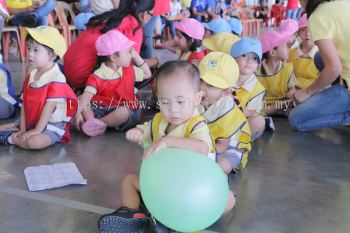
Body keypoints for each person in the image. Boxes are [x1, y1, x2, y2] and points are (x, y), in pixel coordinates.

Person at [98, 61, 235, 232]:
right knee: (129, 181)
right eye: (165, 102)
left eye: (180, 102)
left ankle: (169, 220)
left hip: (189, 191)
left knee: (228, 200)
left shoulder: (196, 125)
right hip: (161, 185)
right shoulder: (159, 121)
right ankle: (133, 216)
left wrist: (167, 141)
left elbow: (201, 148)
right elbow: (145, 129)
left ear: (197, 98)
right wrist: (137, 132)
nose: (173, 110)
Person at [0, 26, 77, 149]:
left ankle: (10, 139)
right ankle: (16, 134)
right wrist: (24, 129)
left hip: (50, 125)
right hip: (32, 120)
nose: (30, 54)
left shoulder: (57, 78)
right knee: (18, 131)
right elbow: (24, 103)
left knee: (34, 142)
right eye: (29, 48)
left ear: (52, 55)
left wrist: (36, 130)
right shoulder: (31, 75)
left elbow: (48, 108)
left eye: (36, 50)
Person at [74, 30, 151, 137]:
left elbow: (148, 74)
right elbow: (86, 97)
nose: (131, 55)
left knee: (124, 112)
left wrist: (137, 57)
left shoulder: (130, 70)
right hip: (101, 108)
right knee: (81, 98)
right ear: (114, 57)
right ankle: (92, 120)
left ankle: (100, 123)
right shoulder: (98, 75)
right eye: (128, 52)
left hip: (123, 107)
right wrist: (77, 113)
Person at [63, 0, 154, 89]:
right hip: (84, 79)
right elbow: (131, 62)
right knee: (145, 73)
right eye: (152, 15)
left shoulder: (113, 15)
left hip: (68, 70)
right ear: (145, 15)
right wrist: (154, 61)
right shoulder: (134, 25)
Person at [289, 0, 350, 131]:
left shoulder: (318, 16)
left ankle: (346, 115)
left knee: (296, 119)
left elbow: (334, 68)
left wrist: (307, 91)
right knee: (319, 58)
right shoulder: (343, 2)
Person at [199, 52, 251, 173]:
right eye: (200, 80)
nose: (201, 88)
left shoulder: (228, 112)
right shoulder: (200, 99)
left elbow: (222, 146)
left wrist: (197, 151)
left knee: (220, 166)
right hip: (206, 144)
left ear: (226, 92)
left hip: (228, 148)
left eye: (210, 85)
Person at [231, 37, 267, 140]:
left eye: (255, 58)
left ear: (258, 65)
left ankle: (237, 143)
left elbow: (250, 113)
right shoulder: (224, 79)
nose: (249, 61)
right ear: (233, 58)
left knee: (258, 122)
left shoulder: (258, 90)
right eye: (243, 55)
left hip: (240, 124)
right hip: (220, 119)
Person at [256, 30, 297, 115]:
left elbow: (292, 89)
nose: (288, 48)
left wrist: (291, 92)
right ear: (272, 52)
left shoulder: (288, 68)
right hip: (264, 105)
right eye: (285, 46)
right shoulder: (256, 70)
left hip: (283, 102)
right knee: (255, 110)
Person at [287, 13, 319, 89]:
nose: (307, 33)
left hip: (314, 92)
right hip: (292, 90)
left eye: (311, 29)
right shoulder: (290, 53)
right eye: (303, 30)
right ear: (298, 33)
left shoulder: (322, 55)